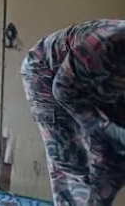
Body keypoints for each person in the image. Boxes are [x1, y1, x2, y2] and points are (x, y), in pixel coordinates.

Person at [21, 19, 125, 205]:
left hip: (99, 83)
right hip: (47, 74)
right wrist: (111, 130)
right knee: (73, 161)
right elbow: (62, 89)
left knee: (114, 159)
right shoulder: (106, 41)